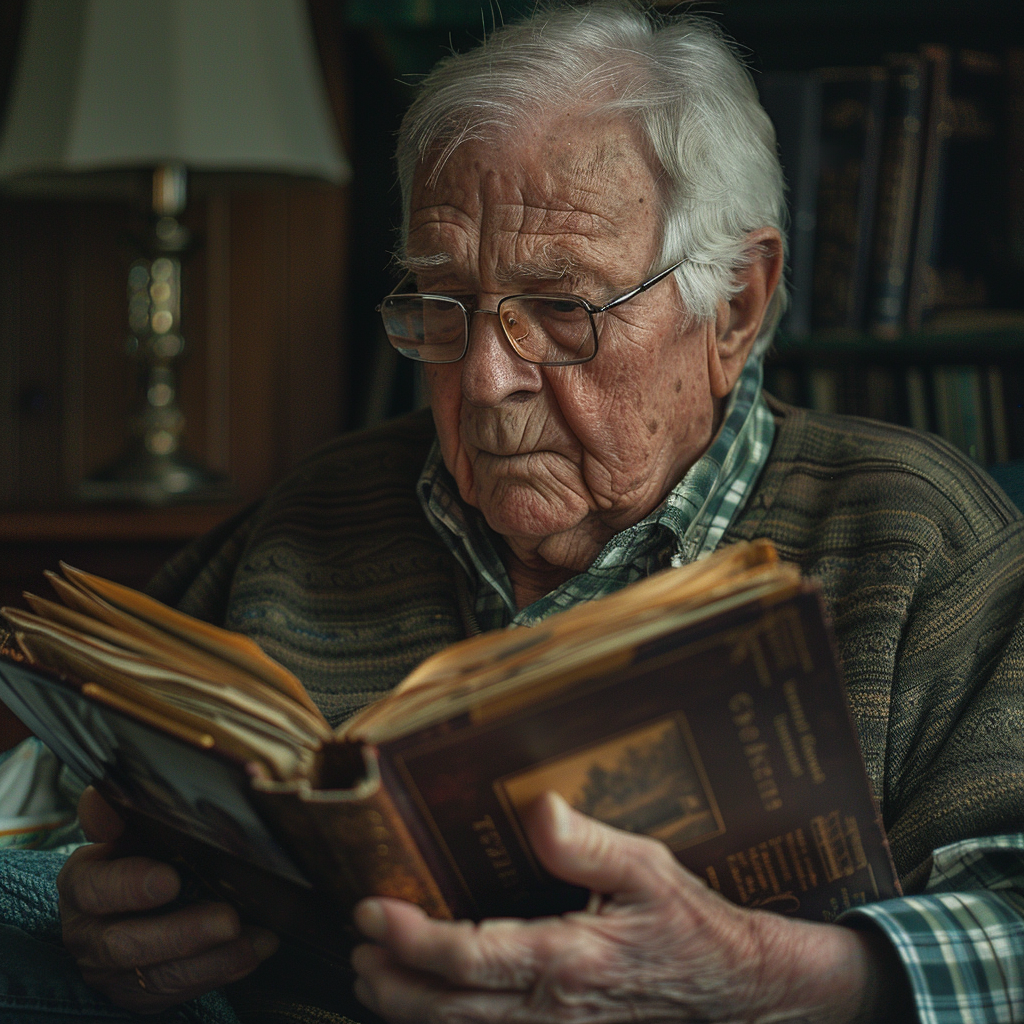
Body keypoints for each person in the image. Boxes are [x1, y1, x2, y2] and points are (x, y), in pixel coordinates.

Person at [2, 2, 1022, 1022]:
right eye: (443, 301)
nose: (485, 378)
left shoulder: (917, 538)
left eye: (559, 308)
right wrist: (94, 910)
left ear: (737, 304)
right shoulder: (313, 516)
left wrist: (781, 978)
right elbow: (35, 821)